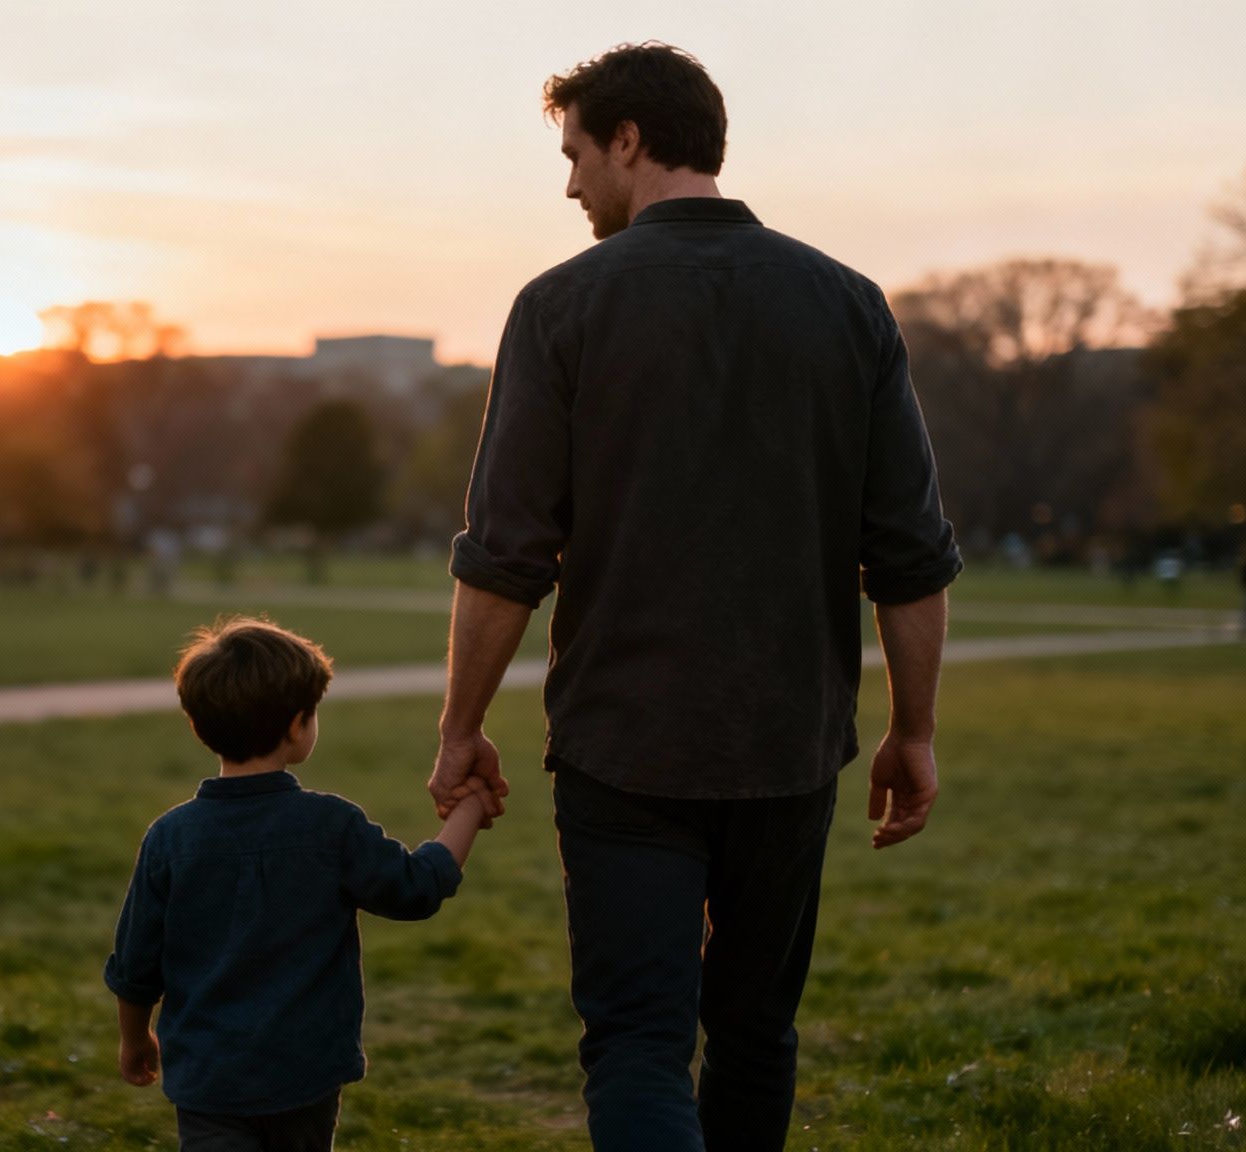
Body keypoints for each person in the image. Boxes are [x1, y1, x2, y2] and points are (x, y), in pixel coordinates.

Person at [429, 43, 961, 1152]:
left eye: (575, 154)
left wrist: (459, 728)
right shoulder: (847, 305)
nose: (568, 184)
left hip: (623, 745)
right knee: (758, 1030)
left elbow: (503, 557)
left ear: (629, 141)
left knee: (635, 1043)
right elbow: (908, 558)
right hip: (788, 742)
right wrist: (911, 732)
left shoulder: (559, 308)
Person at [105, 618, 494, 1151]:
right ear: (297, 727)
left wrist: (134, 1040)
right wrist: (469, 807)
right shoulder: (330, 827)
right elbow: (416, 888)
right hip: (305, 1074)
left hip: (208, 1078)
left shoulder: (170, 839)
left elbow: (135, 965)